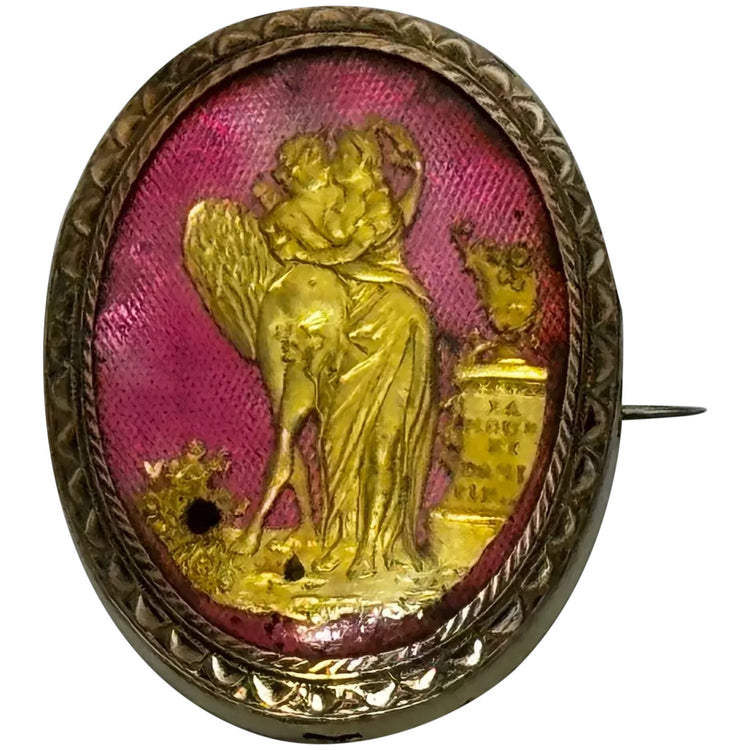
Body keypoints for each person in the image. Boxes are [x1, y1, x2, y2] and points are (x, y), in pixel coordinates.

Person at [258, 123, 437, 578]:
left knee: (384, 439)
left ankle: (374, 549)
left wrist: (301, 253)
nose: (331, 163)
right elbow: (401, 219)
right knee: (337, 438)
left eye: (338, 157)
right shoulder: (346, 203)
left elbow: (347, 257)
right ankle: (344, 538)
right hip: (355, 324)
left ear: (359, 162)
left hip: (393, 322)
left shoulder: (375, 206)